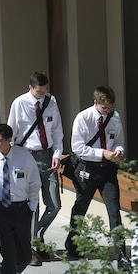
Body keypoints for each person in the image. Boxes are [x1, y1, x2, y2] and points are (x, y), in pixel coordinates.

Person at [65, 86, 126, 265]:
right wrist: (102, 153)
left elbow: (119, 141)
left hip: (107, 170)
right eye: (104, 108)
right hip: (88, 168)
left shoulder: (114, 117)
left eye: (110, 107)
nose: (108, 111)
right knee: (80, 208)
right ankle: (73, 243)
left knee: (114, 211)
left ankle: (121, 255)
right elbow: (77, 148)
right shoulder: (83, 118)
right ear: (96, 103)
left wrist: (118, 152)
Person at [7, 71, 63, 265]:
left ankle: (35, 237)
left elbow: (56, 130)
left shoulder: (51, 102)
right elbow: (11, 131)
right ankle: (29, 249)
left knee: (54, 204)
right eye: (39, 91)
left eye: (45, 91)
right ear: (30, 88)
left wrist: (57, 154)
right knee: (33, 205)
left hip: (47, 156)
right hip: (26, 156)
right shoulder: (19, 103)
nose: (42, 94)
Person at [0, 123, 41, 274]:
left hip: (21, 209)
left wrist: (31, 207)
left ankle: (2, 270)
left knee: (25, 256)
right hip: (0, 210)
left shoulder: (24, 156)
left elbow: (34, 183)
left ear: (9, 140)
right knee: (9, 254)